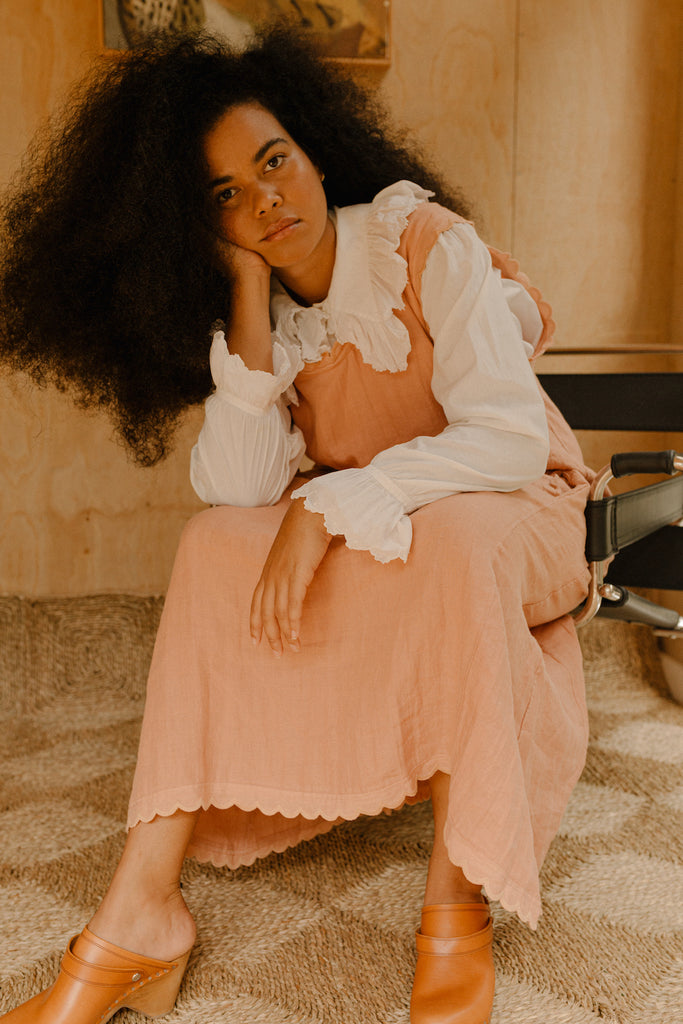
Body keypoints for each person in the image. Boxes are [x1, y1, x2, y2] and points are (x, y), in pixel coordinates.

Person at [0, 24, 593, 1024]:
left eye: (272, 161)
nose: (264, 199)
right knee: (212, 545)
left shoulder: (421, 240)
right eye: (224, 194)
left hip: (519, 510)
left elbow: (502, 440)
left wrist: (324, 507)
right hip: (400, 529)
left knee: (454, 543)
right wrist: (246, 289)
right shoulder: (267, 315)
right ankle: (141, 911)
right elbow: (238, 491)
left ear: (316, 149)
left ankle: (455, 903)